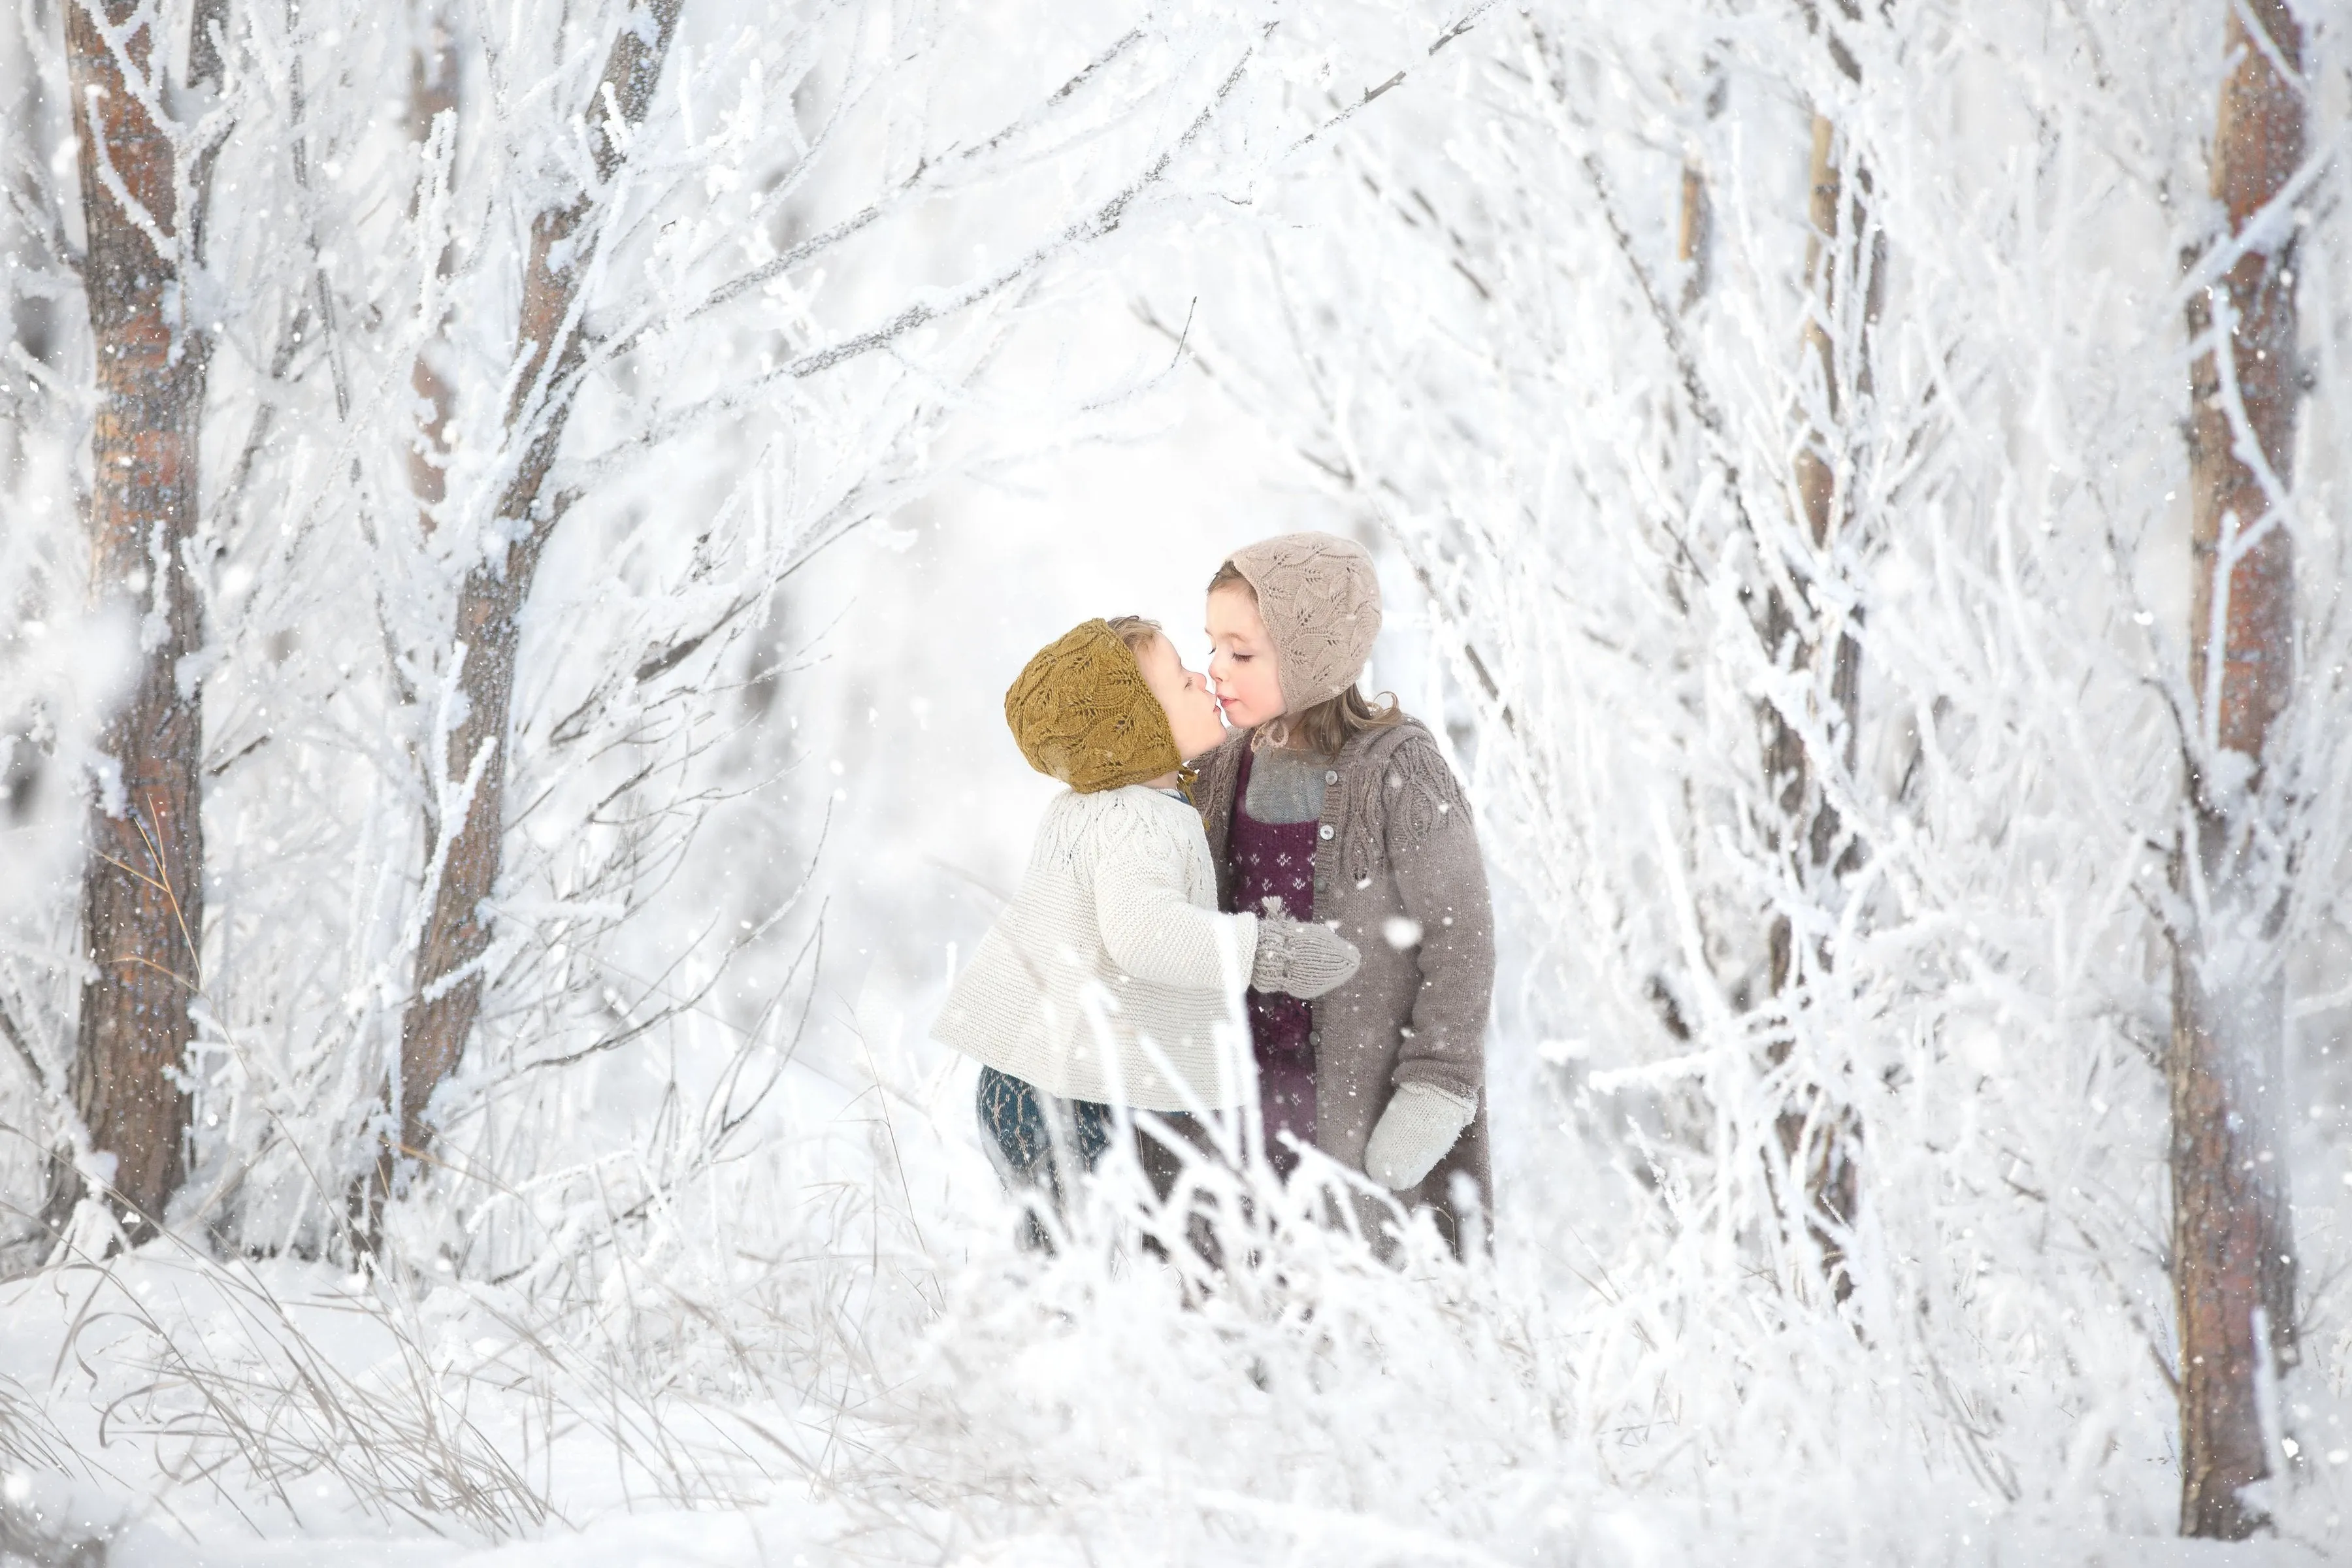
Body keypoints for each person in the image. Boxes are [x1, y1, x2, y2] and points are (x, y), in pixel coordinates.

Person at [933, 615, 1362, 1245]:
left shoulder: (1089, 807)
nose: (1201, 677)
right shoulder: (1140, 822)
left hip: (1028, 1080)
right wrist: (1265, 951)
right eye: (1181, 682)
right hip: (1072, 1099)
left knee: (1066, 1265)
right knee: (1092, 1276)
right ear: (1134, 730)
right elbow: (1145, 935)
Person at [1154, 533, 1496, 1256]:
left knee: (1357, 1297)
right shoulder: (1219, 765)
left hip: (1358, 1098)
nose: (1215, 670)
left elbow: (1461, 934)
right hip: (1240, 1096)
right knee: (1235, 1291)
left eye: (1241, 653)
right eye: (1211, 646)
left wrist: (1439, 1081)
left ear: (1311, 656)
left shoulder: (1402, 770)